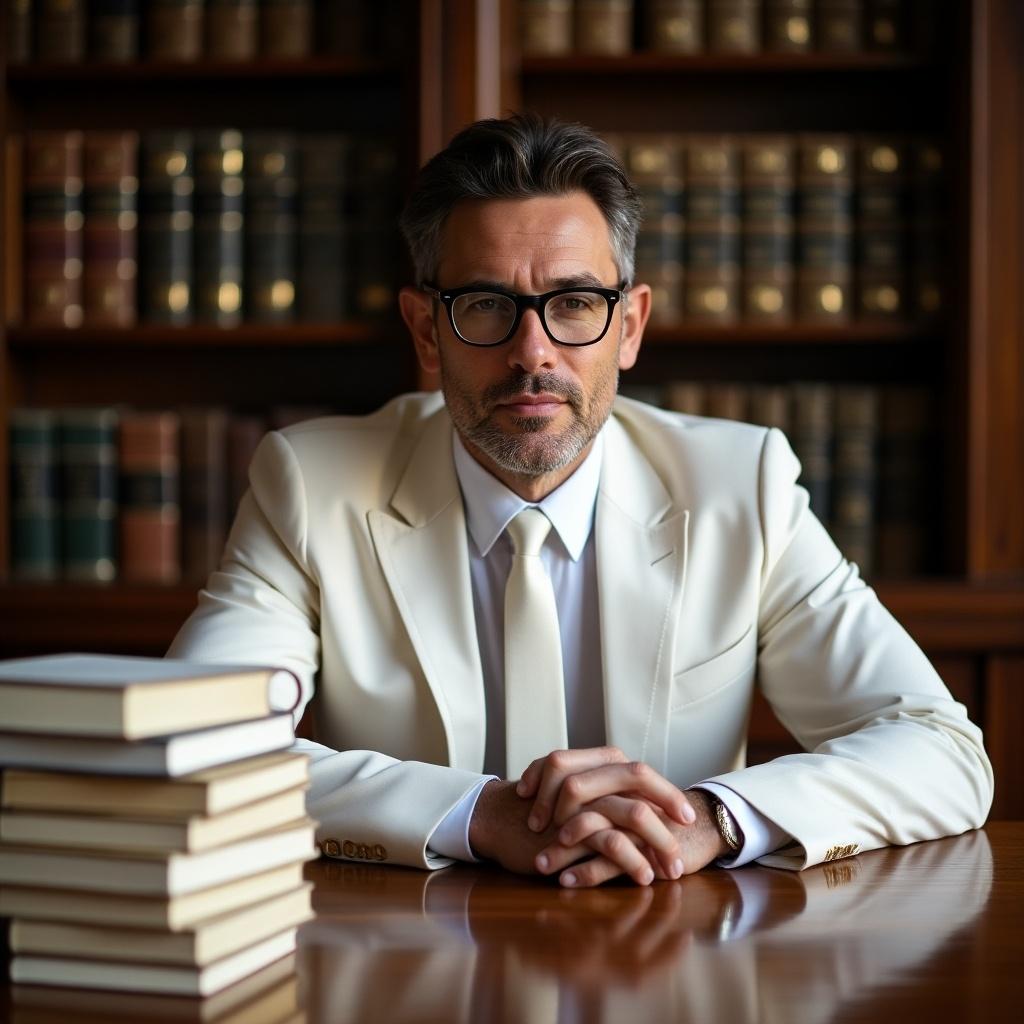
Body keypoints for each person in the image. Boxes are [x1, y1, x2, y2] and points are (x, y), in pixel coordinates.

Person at [168, 114, 993, 888]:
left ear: (629, 326)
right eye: (486, 305)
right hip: (410, 962)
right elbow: (192, 746)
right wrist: (475, 814)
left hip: (674, 962)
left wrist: (712, 818)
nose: (534, 354)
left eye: (574, 305)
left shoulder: (743, 486)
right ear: (426, 331)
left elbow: (939, 748)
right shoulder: (311, 484)